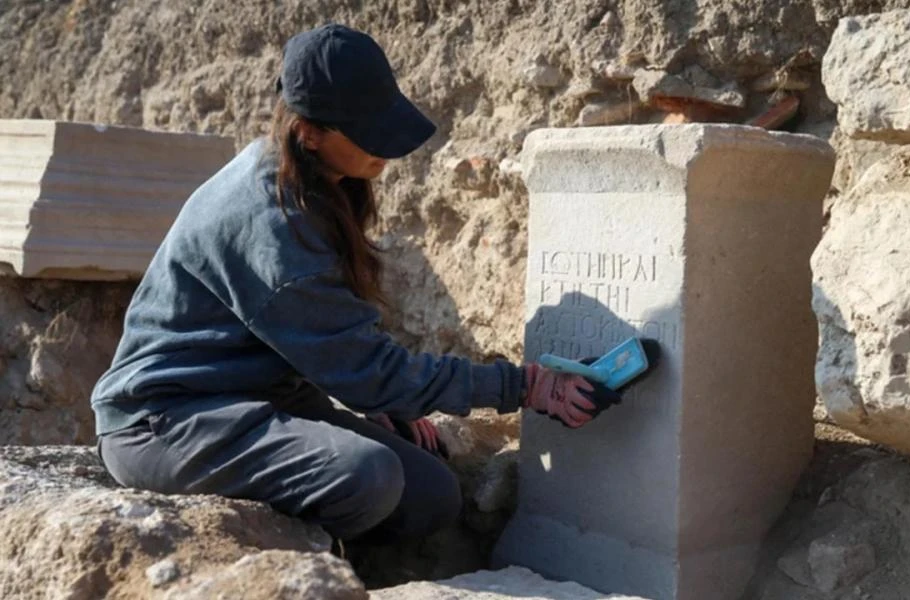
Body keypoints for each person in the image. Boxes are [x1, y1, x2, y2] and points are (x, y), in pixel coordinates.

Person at [91, 23, 622, 544]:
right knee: (369, 475)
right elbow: (367, 370)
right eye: (368, 134)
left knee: (432, 495)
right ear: (309, 133)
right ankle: (299, 567)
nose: (385, 150)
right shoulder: (271, 223)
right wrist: (525, 386)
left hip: (260, 398)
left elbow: (335, 340)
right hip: (168, 419)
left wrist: (387, 401)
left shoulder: (314, 176)